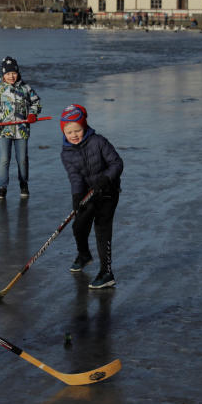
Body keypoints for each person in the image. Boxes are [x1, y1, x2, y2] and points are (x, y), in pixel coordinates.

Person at [60, 104, 123, 289]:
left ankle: (106, 273)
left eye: (77, 130)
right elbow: (75, 176)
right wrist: (77, 197)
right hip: (88, 194)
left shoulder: (98, 142)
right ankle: (84, 254)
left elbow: (117, 163)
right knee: (79, 226)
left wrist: (105, 179)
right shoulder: (66, 152)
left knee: (102, 230)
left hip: (108, 192)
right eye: (69, 131)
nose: (74, 135)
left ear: (84, 127)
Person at [0, 56, 42, 200]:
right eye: (8, 73)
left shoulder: (26, 88)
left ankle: (24, 184)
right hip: (4, 130)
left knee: (22, 159)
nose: (11, 76)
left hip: (22, 129)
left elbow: (36, 103)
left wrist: (32, 114)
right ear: (3, 75)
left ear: (18, 73)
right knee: (5, 159)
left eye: (14, 73)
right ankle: (2, 187)